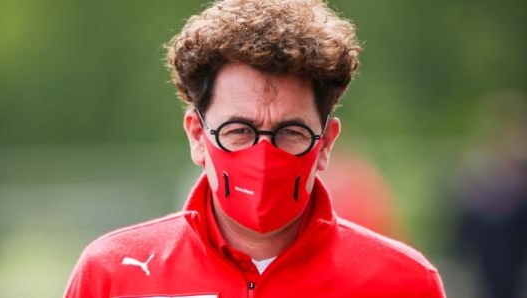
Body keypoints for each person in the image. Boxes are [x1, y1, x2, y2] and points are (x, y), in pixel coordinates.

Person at [64, 1, 446, 297]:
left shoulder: (403, 282)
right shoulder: (113, 274)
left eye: (290, 132)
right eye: (239, 131)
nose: (264, 156)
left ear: (326, 143)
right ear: (198, 135)